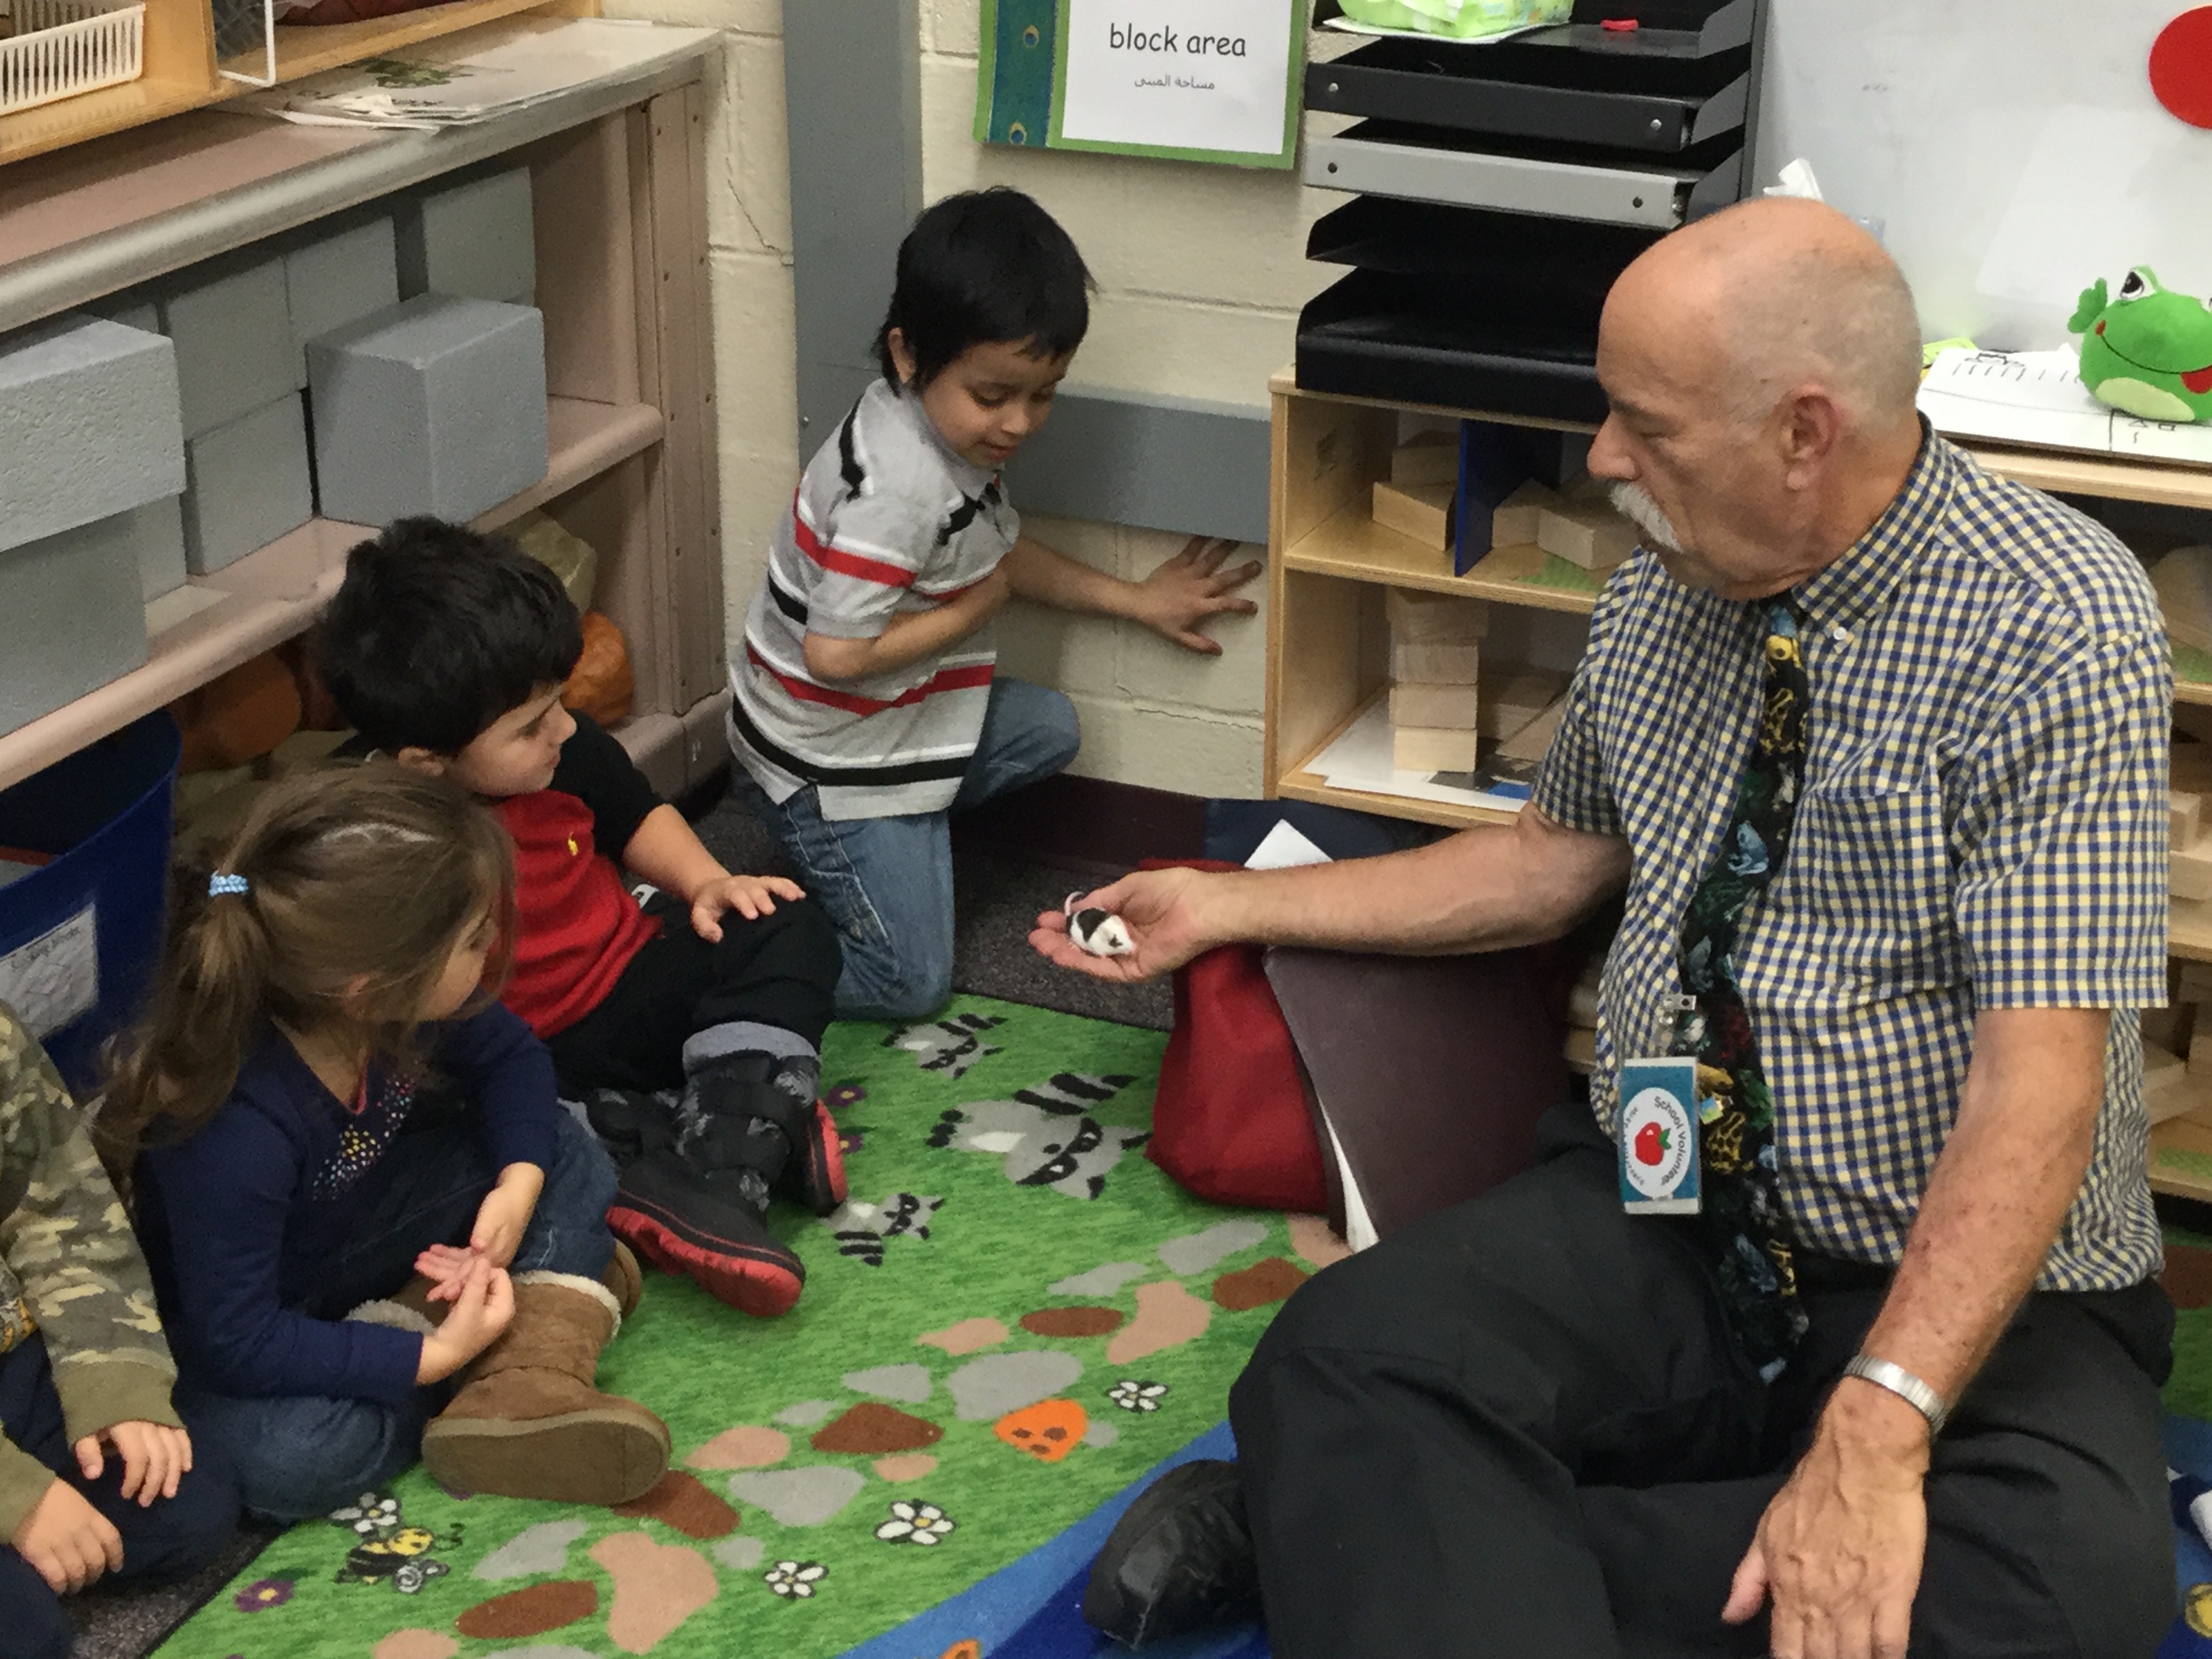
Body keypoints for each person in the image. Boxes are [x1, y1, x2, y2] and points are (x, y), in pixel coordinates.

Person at [1035, 197, 2173, 1659]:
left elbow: (2040, 1082)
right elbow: (1545, 863)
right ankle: (1480, 1531)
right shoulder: (1660, 593)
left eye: (1646, 424)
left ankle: (1388, 1540)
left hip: (1956, 1272)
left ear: (1803, 431)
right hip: (1672, 1205)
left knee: (2066, 1589)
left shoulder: (2056, 619)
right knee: (1340, 1355)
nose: (1603, 459)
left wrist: (1881, 1425)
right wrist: (1227, 901)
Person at [726, 186, 1262, 1021]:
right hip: (825, 763)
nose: (1019, 423)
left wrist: (1138, 601)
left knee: (1050, 728)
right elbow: (835, 655)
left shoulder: (930, 427)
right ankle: (714, 959)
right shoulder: (898, 492)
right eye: (993, 395)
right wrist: (979, 610)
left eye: (1042, 394)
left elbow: (997, 557)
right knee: (910, 983)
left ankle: (890, 847)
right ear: (909, 354)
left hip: (886, 722)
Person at [102, 766, 670, 1521]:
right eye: (474, 941)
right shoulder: (236, 1130)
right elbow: (236, 1341)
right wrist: (433, 1357)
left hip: (347, 1236)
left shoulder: (396, 999)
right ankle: (525, 1312)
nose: (491, 950)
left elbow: (512, 1059)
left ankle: (519, 1372)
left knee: (559, 1147)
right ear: (370, 989)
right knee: (295, 1461)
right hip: (245, 1324)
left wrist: (517, 1187)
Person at [313, 521, 845, 1316]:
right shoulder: (360, 818)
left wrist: (706, 881)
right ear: (425, 764)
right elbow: (260, 898)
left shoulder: (565, 748)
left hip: (626, 982)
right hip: (506, 1056)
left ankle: (716, 1171)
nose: (563, 728)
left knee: (784, 920)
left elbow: (636, 816)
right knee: (443, 1124)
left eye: (558, 702)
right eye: (531, 725)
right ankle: (741, 1117)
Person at [0, 1006, 237, 1659]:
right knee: (27, 1635)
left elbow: (58, 1206)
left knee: (191, 1502)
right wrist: (18, 1498)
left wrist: (111, 1383)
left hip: (14, 1358)